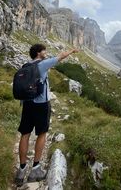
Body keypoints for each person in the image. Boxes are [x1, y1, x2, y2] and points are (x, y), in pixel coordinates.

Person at [15, 43, 79, 185]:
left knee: (25, 134)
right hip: (41, 105)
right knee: (42, 133)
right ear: (39, 53)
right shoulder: (42, 64)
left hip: (27, 104)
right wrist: (72, 51)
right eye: (44, 50)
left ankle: (21, 170)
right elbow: (60, 57)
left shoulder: (26, 65)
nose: (46, 52)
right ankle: (36, 169)